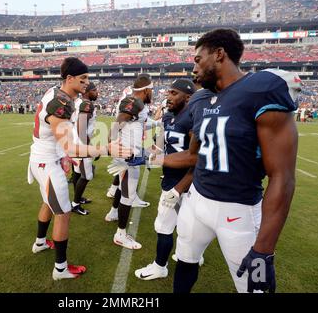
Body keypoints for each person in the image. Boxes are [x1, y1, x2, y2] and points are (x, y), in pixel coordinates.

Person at [156, 29, 300, 293]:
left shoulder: (261, 89)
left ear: (219, 54)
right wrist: (153, 158)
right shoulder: (201, 99)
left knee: (256, 286)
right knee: (185, 261)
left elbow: (283, 176)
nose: (194, 68)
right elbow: (193, 155)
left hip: (238, 211)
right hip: (196, 201)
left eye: (198, 60)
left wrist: (264, 248)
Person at [28, 57, 131, 280]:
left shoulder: (57, 92)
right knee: (63, 214)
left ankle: (39, 243)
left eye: (87, 78)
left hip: (44, 157)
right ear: (69, 78)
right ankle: (60, 269)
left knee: (48, 202)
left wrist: (63, 154)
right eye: (83, 78)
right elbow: (72, 147)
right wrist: (106, 148)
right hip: (46, 161)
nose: (87, 83)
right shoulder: (62, 103)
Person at [134, 79, 202, 280]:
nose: (168, 97)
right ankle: (193, 256)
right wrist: (145, 150)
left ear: (188, 97)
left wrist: (179, 188)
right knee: (187, 224)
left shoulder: (193, 119)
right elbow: (163, 147)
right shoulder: (168, 117)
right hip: (173, 178)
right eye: (168, 93)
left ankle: (159, 266)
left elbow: (197, 158)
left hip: (185, 182)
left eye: (174, 93)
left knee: (164, 225)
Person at [105, 74, 157, 249]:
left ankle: (113, 213)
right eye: (151, 90)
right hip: (127, 153)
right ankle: (120, 234)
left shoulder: (138, 105)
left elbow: (139, 120)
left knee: (122, 186)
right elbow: (118, 121)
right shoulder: (134, 101)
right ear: (146, 90)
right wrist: (108, 143)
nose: (153, 93)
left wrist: (157, 123)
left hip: (127, 151)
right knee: (128, 195)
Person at [70, 82, 99, 215]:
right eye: (95, 90)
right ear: (88, 91)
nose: (97, 93)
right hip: (82, 145)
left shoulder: (80, 102)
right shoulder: (87, 104)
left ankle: (78, 198)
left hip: (76, 143)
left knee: (77, 173)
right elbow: (81, 128)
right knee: (86, 176)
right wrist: (88, 148)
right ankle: (75, 204)